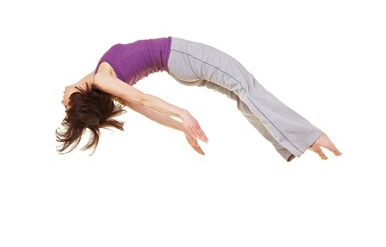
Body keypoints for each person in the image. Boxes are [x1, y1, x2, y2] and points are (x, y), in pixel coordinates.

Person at [57, 37, 341, 161]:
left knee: (241, 94)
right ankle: (308, 137)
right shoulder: (101, 80)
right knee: (245, 86)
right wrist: (183, 116)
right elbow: (144, 102)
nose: (62, 100)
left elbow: (145, 110)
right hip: (181, 56)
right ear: (79, 97)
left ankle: (291, 143)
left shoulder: (103, 84)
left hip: (179, 66)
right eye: (67, 103)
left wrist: (183, 128)